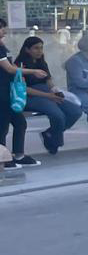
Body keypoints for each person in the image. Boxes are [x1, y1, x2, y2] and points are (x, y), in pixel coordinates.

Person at [17, 37, 83, 155]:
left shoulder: (41, 62)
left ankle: (51, 133)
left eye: (41, 48)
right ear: (27, 49)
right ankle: (55, 142)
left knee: (75, 111)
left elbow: (48, 80)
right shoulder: (20, 65)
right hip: (32, 96)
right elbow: (24, 89)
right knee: (58, 115)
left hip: (47, 93)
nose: (39, 51)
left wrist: (54, 90)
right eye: (36, 48)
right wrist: (48, 95)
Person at [1, 16, 41, 169]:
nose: (4, 31)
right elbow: (9, 68)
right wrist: (33, 71)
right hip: (1, 93)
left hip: (7, 90)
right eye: (1, 28)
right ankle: (4, 158)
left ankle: (19, 155)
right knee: (2, 126)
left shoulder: (2, 46)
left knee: (19, 122)